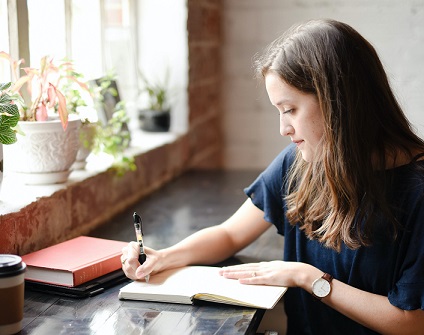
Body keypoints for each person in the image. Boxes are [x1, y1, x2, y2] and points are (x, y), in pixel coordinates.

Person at [121, 19, 424, 334]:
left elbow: (412, 323)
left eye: (290, 109)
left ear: (339, 102)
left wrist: (308, 278)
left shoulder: (417, 192)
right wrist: (164, 257)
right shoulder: (301, 162)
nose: (283, 129)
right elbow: (230, 235)